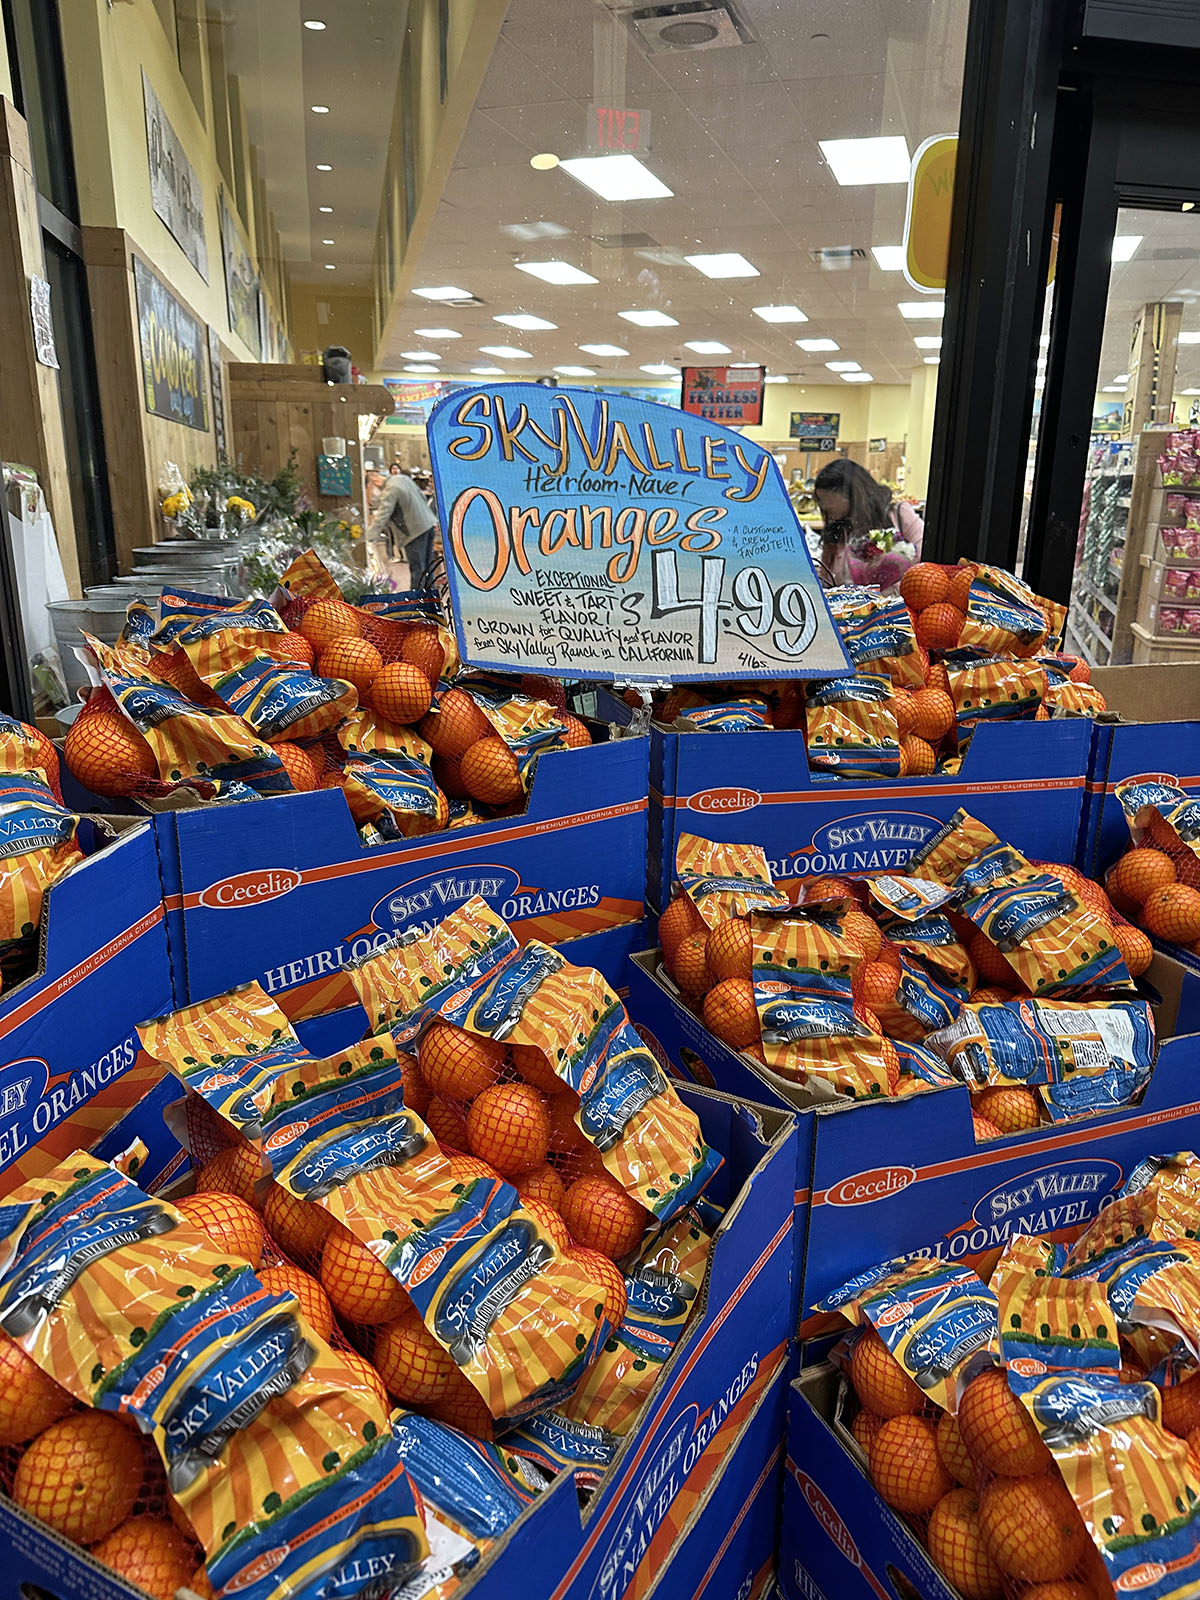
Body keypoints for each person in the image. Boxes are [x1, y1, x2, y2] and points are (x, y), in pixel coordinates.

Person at [813, 459, 924, 589]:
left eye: (828, 499)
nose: (824, 505)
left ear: (852, 495)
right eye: (820, 500)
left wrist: (891, 592)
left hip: (899, 605)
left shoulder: (898, 514)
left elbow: (926, 564)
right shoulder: (836, 530)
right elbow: (827, 579)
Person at [366, 466, 438, 588]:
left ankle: (417, 603)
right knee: (427, 567)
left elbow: (383, 515)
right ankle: (431, 599)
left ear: (375, 482)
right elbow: (421, 496)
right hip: (427, 524)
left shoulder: (390, 489)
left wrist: (368, 537)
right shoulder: (402, 478)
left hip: (415, 531)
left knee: (417, 569)